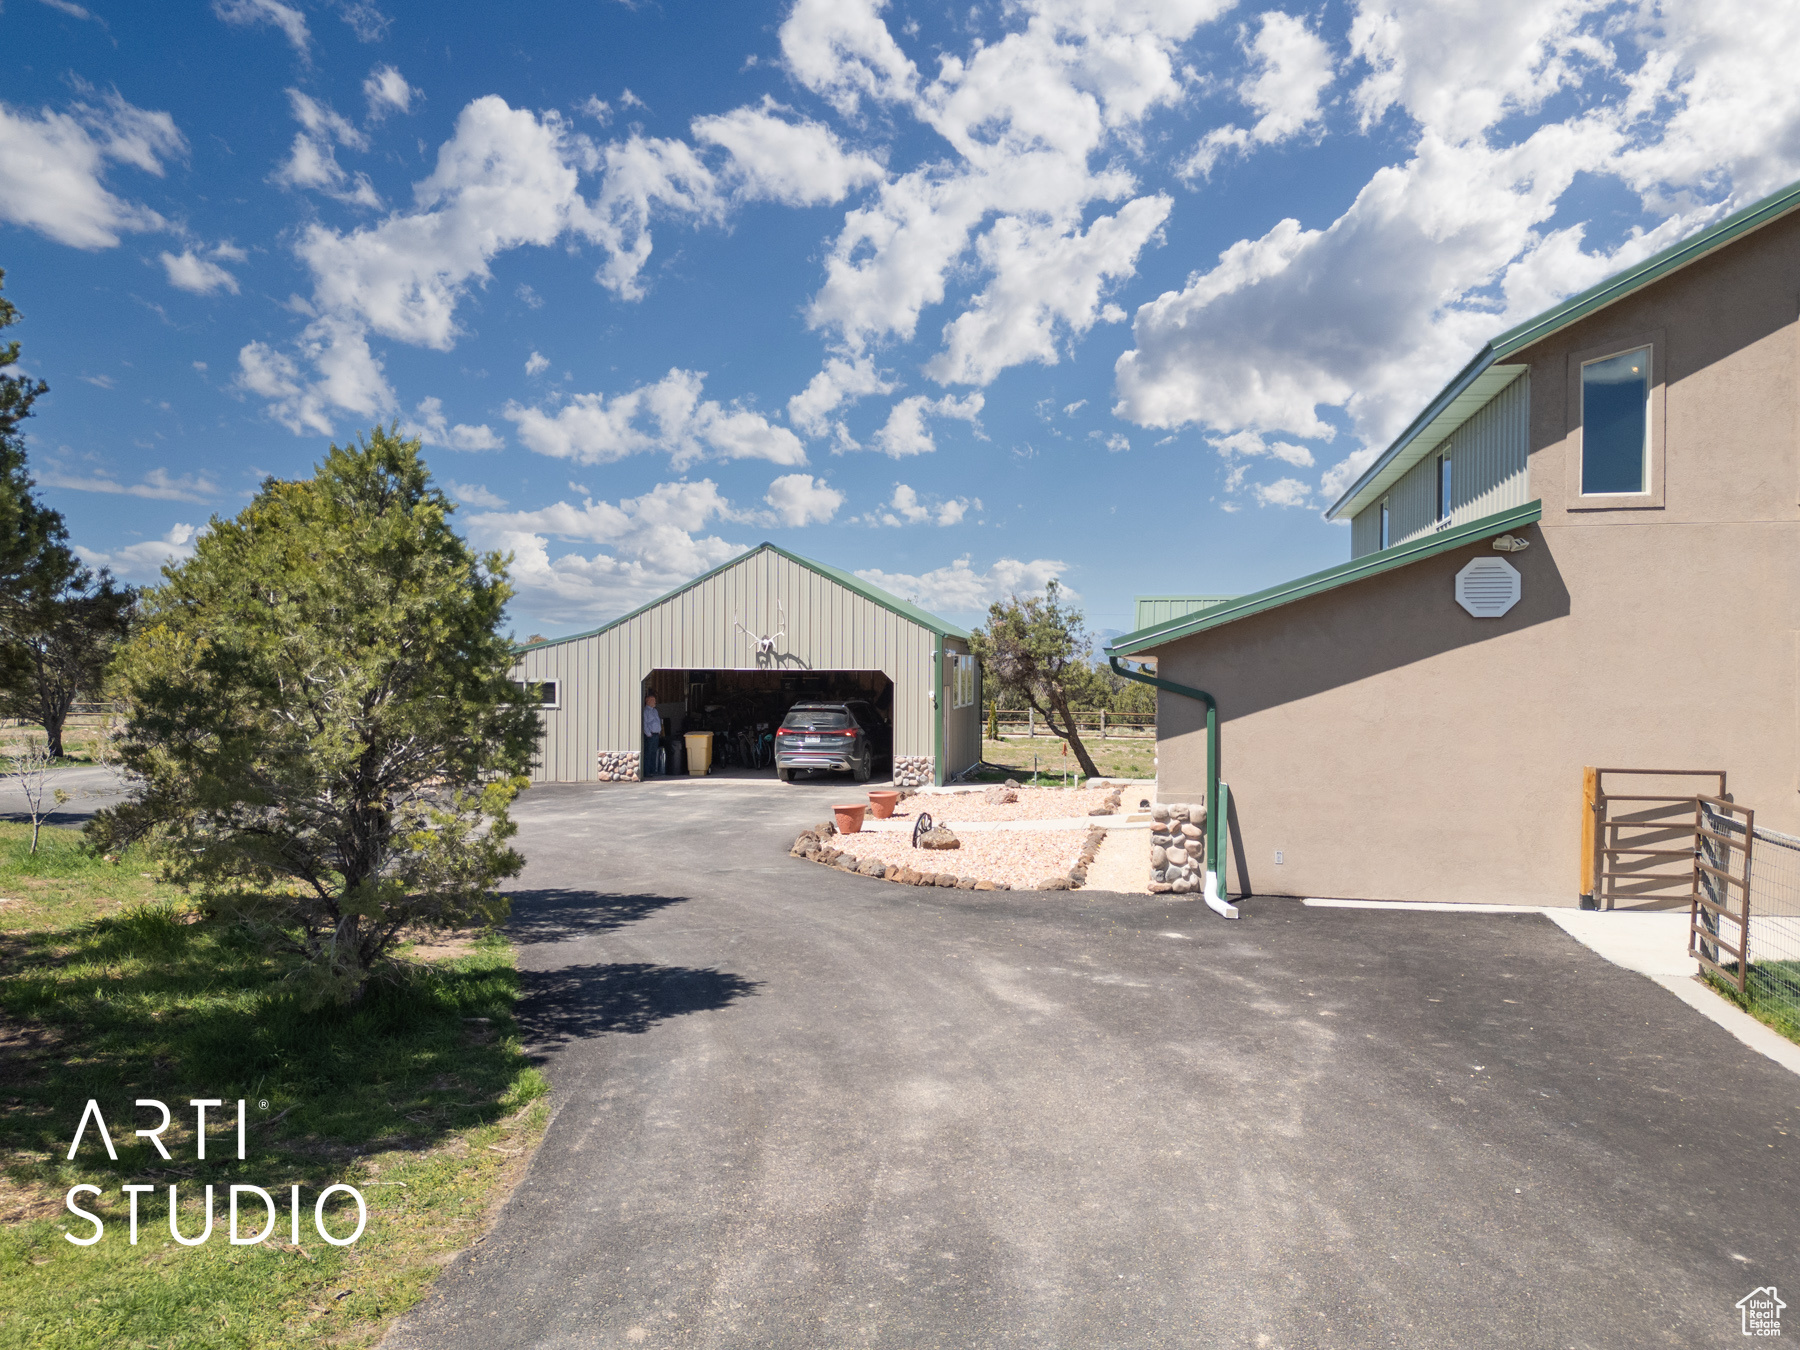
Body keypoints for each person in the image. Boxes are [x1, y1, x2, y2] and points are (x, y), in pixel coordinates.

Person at [642, 693, 665, 776]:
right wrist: (648, 734)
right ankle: (647, 771)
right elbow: (644, 724)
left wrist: (659, 731)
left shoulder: (655, 711)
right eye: (653, 701)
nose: (655, 702)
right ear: (648, 702)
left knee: (654, 753)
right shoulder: (645, 711)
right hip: (650, 735)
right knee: (648, 753)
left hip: (656, 735)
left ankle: (652, 770)